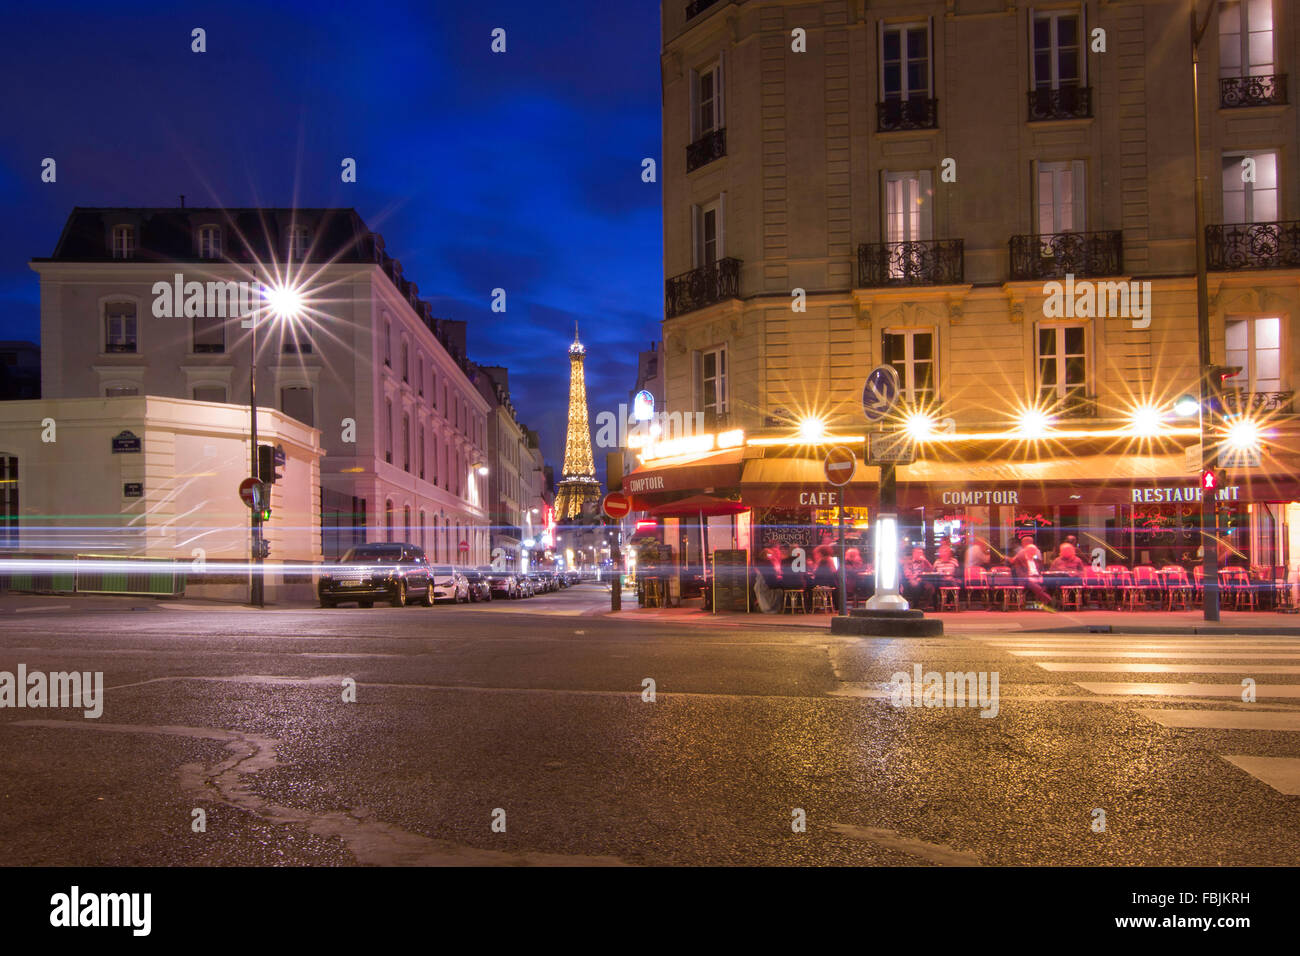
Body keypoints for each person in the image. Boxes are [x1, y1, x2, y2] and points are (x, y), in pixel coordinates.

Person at [1010, 535, 1054, 608]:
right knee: (1031, 583)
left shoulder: (1036, 560)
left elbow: (1040, 571)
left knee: (1049, 581)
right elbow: (1019, 573)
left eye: (1034, 552)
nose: (1034, 554)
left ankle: (1046, 600)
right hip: (1025, 579)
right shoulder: (1020, 559)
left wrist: (1040, 576)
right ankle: (1049, 600)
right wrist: (1029, 577)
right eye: (1032, 552)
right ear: (1026, 551)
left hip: (1036, 577)